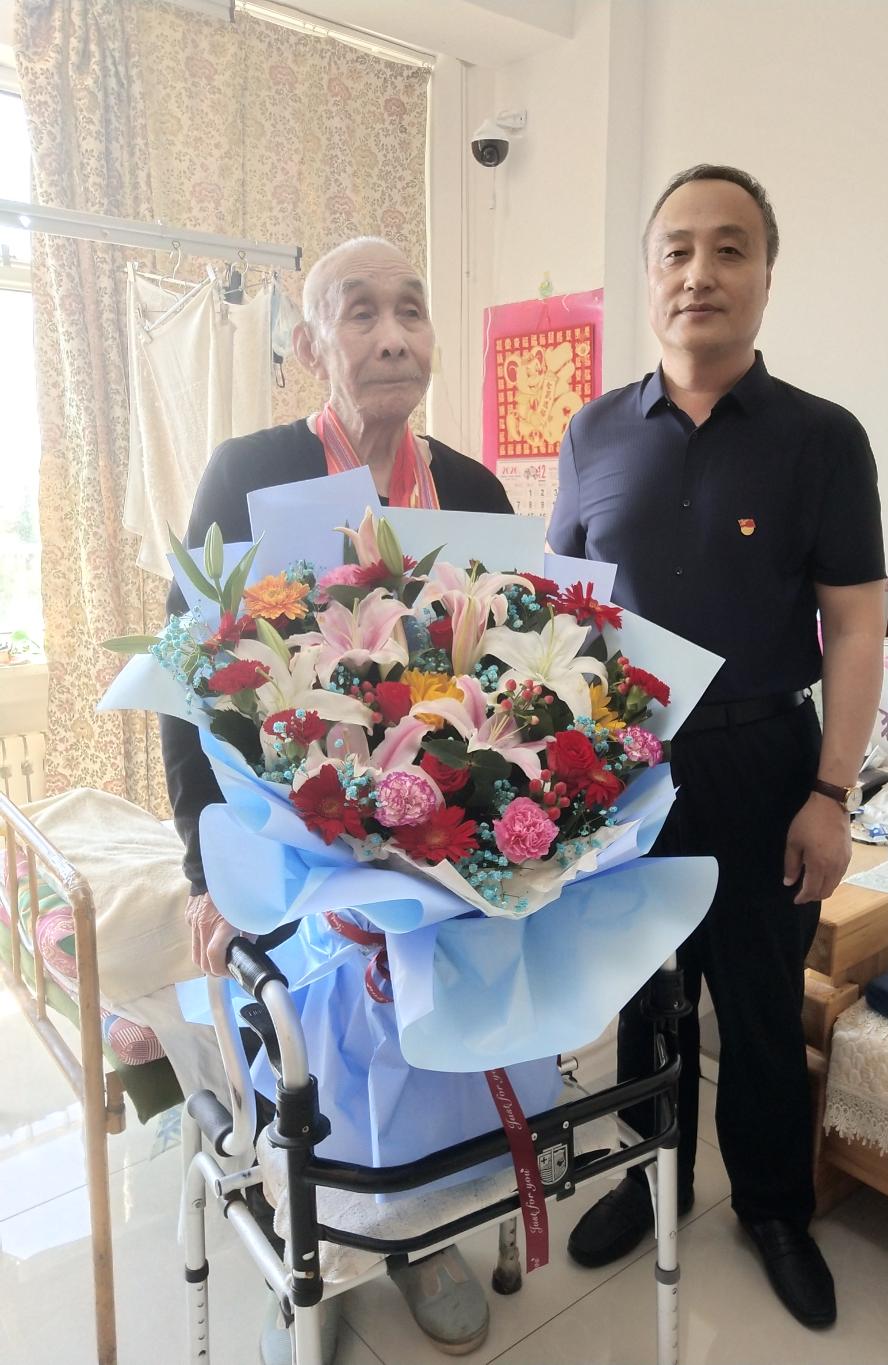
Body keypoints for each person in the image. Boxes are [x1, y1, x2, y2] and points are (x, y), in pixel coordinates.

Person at [548, 166, 885, 1330]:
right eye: (677, 250)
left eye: (730, 249)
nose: (701, 273)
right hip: (630, 768)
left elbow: (854, 629)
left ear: (765, 277)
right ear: (648, 276)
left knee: (756, 1004)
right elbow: (562, 619)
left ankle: (772, 1207)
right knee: (644, 992)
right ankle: (649, 1179)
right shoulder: (591, 432)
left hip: (767, 762)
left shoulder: (822, 440)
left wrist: (832, 792)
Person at [161, 237, 510, 1360]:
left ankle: (419, 1233)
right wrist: (205, 864)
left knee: (428, 1045)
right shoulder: (247, 472)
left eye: (411, 309)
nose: (392, 336)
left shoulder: (476, 491)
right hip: (292, 838)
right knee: (308, 1054)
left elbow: (514, 674)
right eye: (360, 313)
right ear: (313, 345)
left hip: (438, 837)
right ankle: (300, 1231)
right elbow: (185, 681)